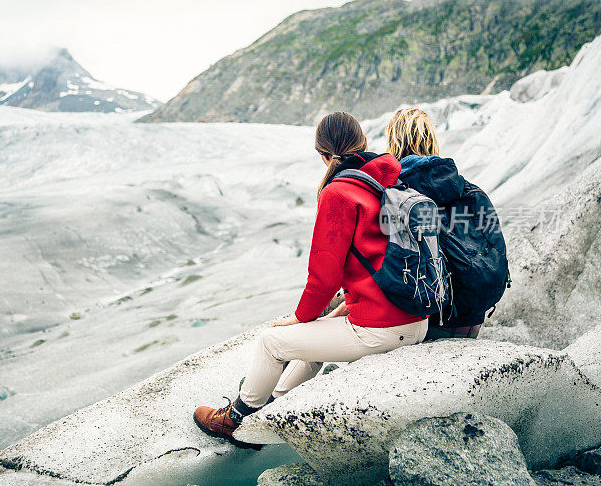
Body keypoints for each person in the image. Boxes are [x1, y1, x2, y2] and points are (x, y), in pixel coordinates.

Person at [193, 112, 429, 448]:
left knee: (270, 343)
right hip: (415, 318)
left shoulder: (340, 192)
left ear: (322, 154)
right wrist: (337, 311)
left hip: (382, 330)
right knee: (311, 347)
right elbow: (381, 262)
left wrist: (300, 317)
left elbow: (324, 275)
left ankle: (236, 421)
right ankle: (272, 405)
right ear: (363, 142)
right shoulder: (389, 179)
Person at [384, 107, 495, 340]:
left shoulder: (396, 196)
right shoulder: (468, 189)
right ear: (432, 140)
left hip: (424, 325)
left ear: (393, 142)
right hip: (472, 322)